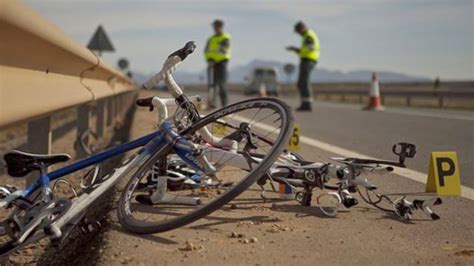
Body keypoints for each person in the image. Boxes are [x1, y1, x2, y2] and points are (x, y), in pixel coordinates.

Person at [286, 21, 320, 111]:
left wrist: (298, 50)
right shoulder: (307, 35)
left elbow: (309, 48)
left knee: (303, 82)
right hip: (308, 59)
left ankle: (307, 104)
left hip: (308, 60)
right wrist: (294, 49)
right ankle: (305, 103)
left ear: (301, 29)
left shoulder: (308, 35)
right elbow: (305, 50)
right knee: (302, 82)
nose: (298, 33)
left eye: (298, 31)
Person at [204, 19, 231, 108]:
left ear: (220, 27)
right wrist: (209, 60)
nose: (215, 28)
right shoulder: (211, 39)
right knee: (212, 85)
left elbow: (224, 50)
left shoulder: (225, 37)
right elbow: (206, 51)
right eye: (214, 27)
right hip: (211, 63)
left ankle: (224, 105)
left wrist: (215, 59)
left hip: (221, 63)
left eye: (216, 27)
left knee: (222, 84)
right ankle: (212, 103)